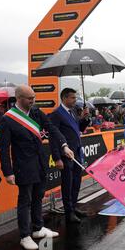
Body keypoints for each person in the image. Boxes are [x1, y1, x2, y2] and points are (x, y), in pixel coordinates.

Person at [0, 85, 75, 250]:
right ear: (19, 98)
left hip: (40, 163)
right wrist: (8, 172)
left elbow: (52, 128)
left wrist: (64, 146)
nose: (33, 101)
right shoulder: (8, 119)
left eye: (34, 97)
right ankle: (25, 235)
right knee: (25, 200)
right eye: (29, 98)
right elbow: (3, 148)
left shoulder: (35, 112)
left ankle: (38, 228)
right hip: (23, 165)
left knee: (39, 196)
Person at [49, 88, 91, 224]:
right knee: (68, 184)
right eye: (72, 98)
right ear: (64, 98)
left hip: (76, 153)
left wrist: (85, 118)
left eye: (75, 97)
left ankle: (73, 206)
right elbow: (53, 137)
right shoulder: (56, 114)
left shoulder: (73, 112)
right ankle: (69, 212)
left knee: (76, 182)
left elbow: (78, 128)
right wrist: (57, 158)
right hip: (65, 154)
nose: (75, 100)